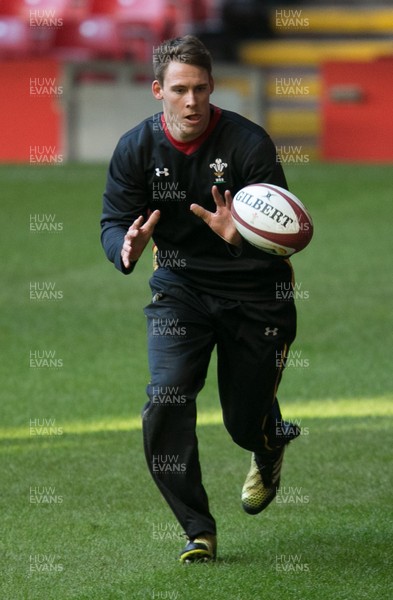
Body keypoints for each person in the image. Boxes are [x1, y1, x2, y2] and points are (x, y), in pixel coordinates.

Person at [101, 35, 301, 564]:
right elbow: (114, 221)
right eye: (180, 90)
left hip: (257, 294)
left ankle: (267, 440)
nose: (192, 101)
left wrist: (240, 237)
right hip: (180, 291)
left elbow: (291, 235)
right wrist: (125, 246)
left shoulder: (248, 144)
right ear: (157, 90)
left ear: (213, 87)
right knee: (166, 397)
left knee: (242, 423)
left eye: (201, 89)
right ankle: (198, 529)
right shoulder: (136, 148)